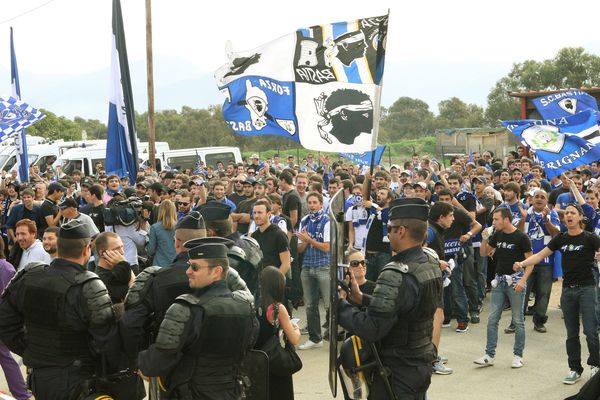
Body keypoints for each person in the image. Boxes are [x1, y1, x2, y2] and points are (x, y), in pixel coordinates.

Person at [0, 220, 120, 400]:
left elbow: (5, 321)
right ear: (86, 250)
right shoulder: (88, 284)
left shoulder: (30, 275)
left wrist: (31, 349)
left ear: (59, 247)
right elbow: (108, 342)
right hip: (77, 378)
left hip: (40, 376)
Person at [338, 198, 442, 399]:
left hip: (397, 370)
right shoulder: (429, 263)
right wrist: (362, 298)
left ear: (401, 231)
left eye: (390, 228)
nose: (388, 233)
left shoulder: (395, 272)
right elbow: (404, 307)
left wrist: (341, 307)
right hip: (420, 363)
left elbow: (373, 328)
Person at [138, 242, 259, 399]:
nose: (188, 271)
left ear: (216, 271)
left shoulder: (188, 309)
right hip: (232, 393)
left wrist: (140, 361)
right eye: (189, 265)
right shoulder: (245, 307)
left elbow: (155, 363)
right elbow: (250, 344)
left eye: (195, 267)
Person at [516, 203, 600, 385]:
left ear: (580, 217)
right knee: (571, 333)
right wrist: (522, 264)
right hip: (568, 291)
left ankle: (595, 366)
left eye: (573, 213)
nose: (568, 215)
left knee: (591, 332)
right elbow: (539, 256)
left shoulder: (590, 238)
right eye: (566, 213)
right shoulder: (561, 238)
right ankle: (574, 369)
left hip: (587, 289)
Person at [475, 207, 532, 369]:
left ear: (506, 220)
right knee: (492, 319)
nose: (493, 222)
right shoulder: (498, 235)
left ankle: (518, 355)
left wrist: (523, 280)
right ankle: (489, 355)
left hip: (516, 282)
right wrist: (485, 239)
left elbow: (531, 262)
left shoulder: (521, 237)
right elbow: (484, 253)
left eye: (496, 219)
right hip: (499, 282)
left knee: (518, 320)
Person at [254, 266, 301, 400]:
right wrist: (295, 327)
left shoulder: (254, 304)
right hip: (274, 360)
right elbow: (294, 339)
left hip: (256, 360)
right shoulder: (277, 308)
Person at [297, 192, 331, 350]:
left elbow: (327, 247)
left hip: (323, 266)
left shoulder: (327, 221)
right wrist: (305, 242)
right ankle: (315, 338)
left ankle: (337, 334)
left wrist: (309, 240)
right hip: (307, 265)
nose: (311, 205)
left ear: (321, 204)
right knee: (310, 305)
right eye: (309, 202)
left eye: (314, 202)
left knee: (330, 304)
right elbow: (299, 248)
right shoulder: (304, 220)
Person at [0, 238, 30, 400]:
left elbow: (9, 296)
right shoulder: (6, 267)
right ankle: (21, 392)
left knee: (5, 357)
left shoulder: (5, 267)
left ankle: (21, 392)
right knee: (5, 357)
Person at [95, 231, 134, 304]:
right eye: (116, 249)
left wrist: (124, 264)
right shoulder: (103, 278)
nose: (122, 252)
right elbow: (135, 296)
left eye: (122, 246)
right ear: (103, 253)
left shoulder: (121, 268)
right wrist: (124, 263)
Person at [147, 199, 177, 267]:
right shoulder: (179, 226)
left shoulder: (154, 227)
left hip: (159, 264)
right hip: (175, 264)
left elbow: (151, 251)